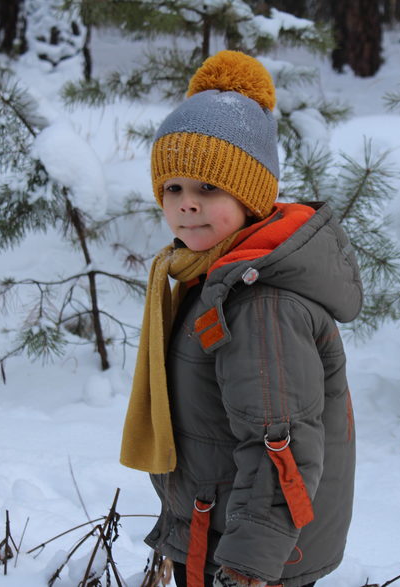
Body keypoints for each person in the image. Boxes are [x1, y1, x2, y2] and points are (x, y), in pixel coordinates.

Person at [120, 50, 362, 587]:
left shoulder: (260, 305)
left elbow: (283, 444)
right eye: (173, 188)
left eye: (209, 188)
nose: (186, 204)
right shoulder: (208, 278)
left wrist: (249, 567)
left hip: (249, 555)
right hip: (219, 529)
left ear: (251, 197)